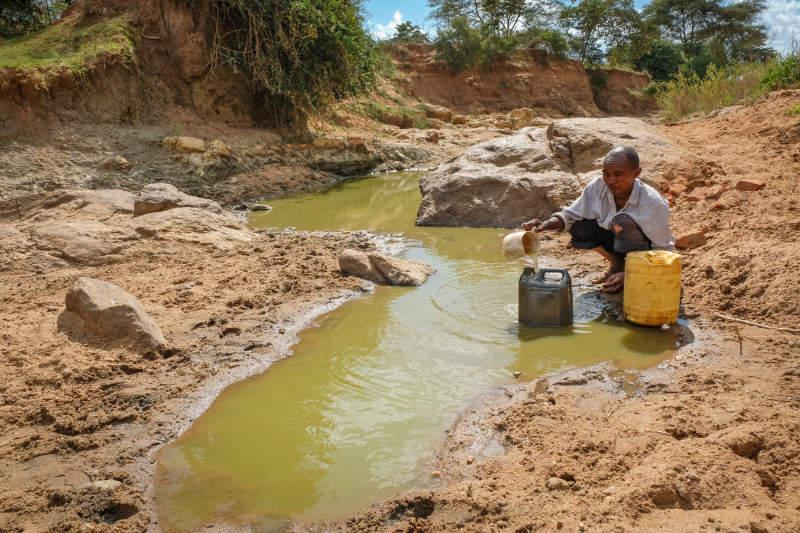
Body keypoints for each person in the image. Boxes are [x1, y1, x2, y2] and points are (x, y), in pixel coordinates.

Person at [522, 145, 674, 293]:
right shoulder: (598, 186)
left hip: (643, 253)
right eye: (606, 173)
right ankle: (617, 264)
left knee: (622, 221)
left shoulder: (653, 203)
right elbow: (571, 215)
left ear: (636, 172)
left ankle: (627, 270)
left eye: (618, 174)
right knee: (578, 226)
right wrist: (545, 225)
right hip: (617, 240)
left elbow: (664, 251)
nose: (610, 180)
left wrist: (631, 273)